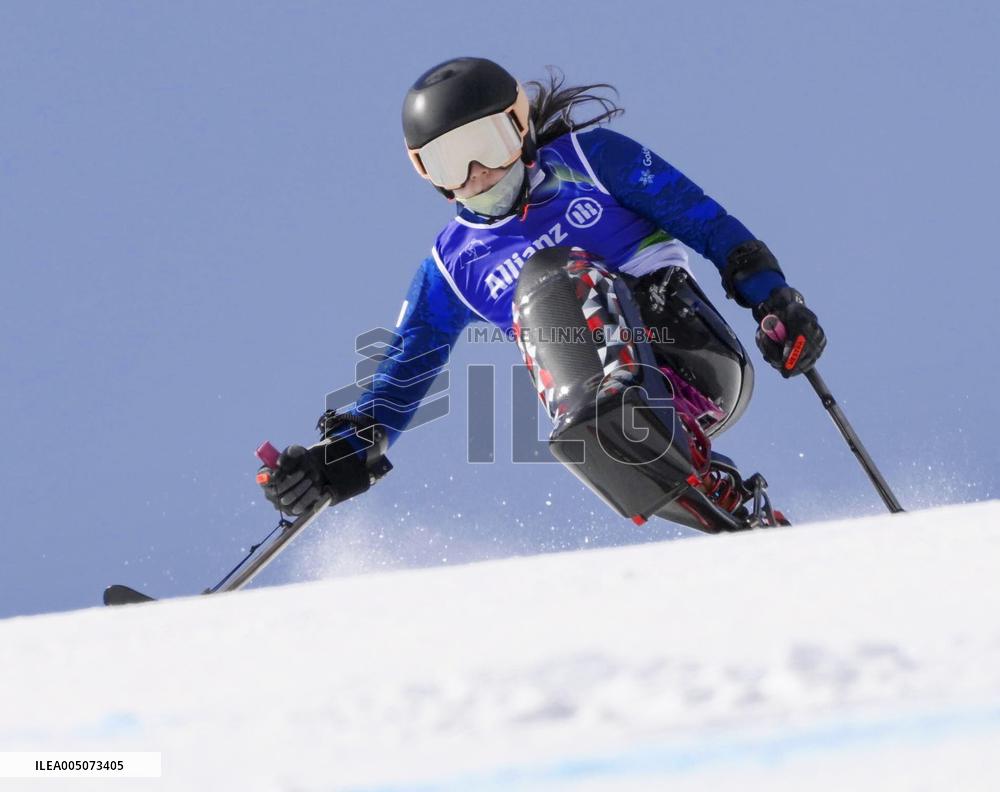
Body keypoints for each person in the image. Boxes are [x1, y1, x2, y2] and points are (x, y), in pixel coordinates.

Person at [259, 57, 826, 530]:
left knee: (550, 273)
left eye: (487, 144)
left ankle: (646, 426)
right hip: (592, 411)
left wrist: (774, 300)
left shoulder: (591, 160)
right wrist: (335, 460)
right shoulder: (452, 265)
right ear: (425, 174)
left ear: (521, 127)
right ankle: (718, 504)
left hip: (690, 348)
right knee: (546, 311)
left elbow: (704, 220)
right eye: (449, 162)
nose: (477, 173)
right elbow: (401, 374)